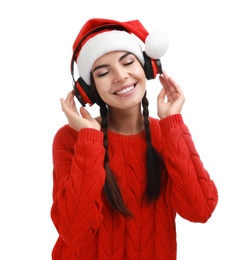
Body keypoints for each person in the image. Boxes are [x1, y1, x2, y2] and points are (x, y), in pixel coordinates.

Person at [51, 18, 218, 259]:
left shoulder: (167, 133)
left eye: (128, 62)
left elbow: (200, 210)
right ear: (89, 90)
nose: (120, 76)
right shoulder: (72, 138)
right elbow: (73, 231)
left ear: (147, 67)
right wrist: (89, 140)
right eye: (104, 72)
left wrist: (173, 123)